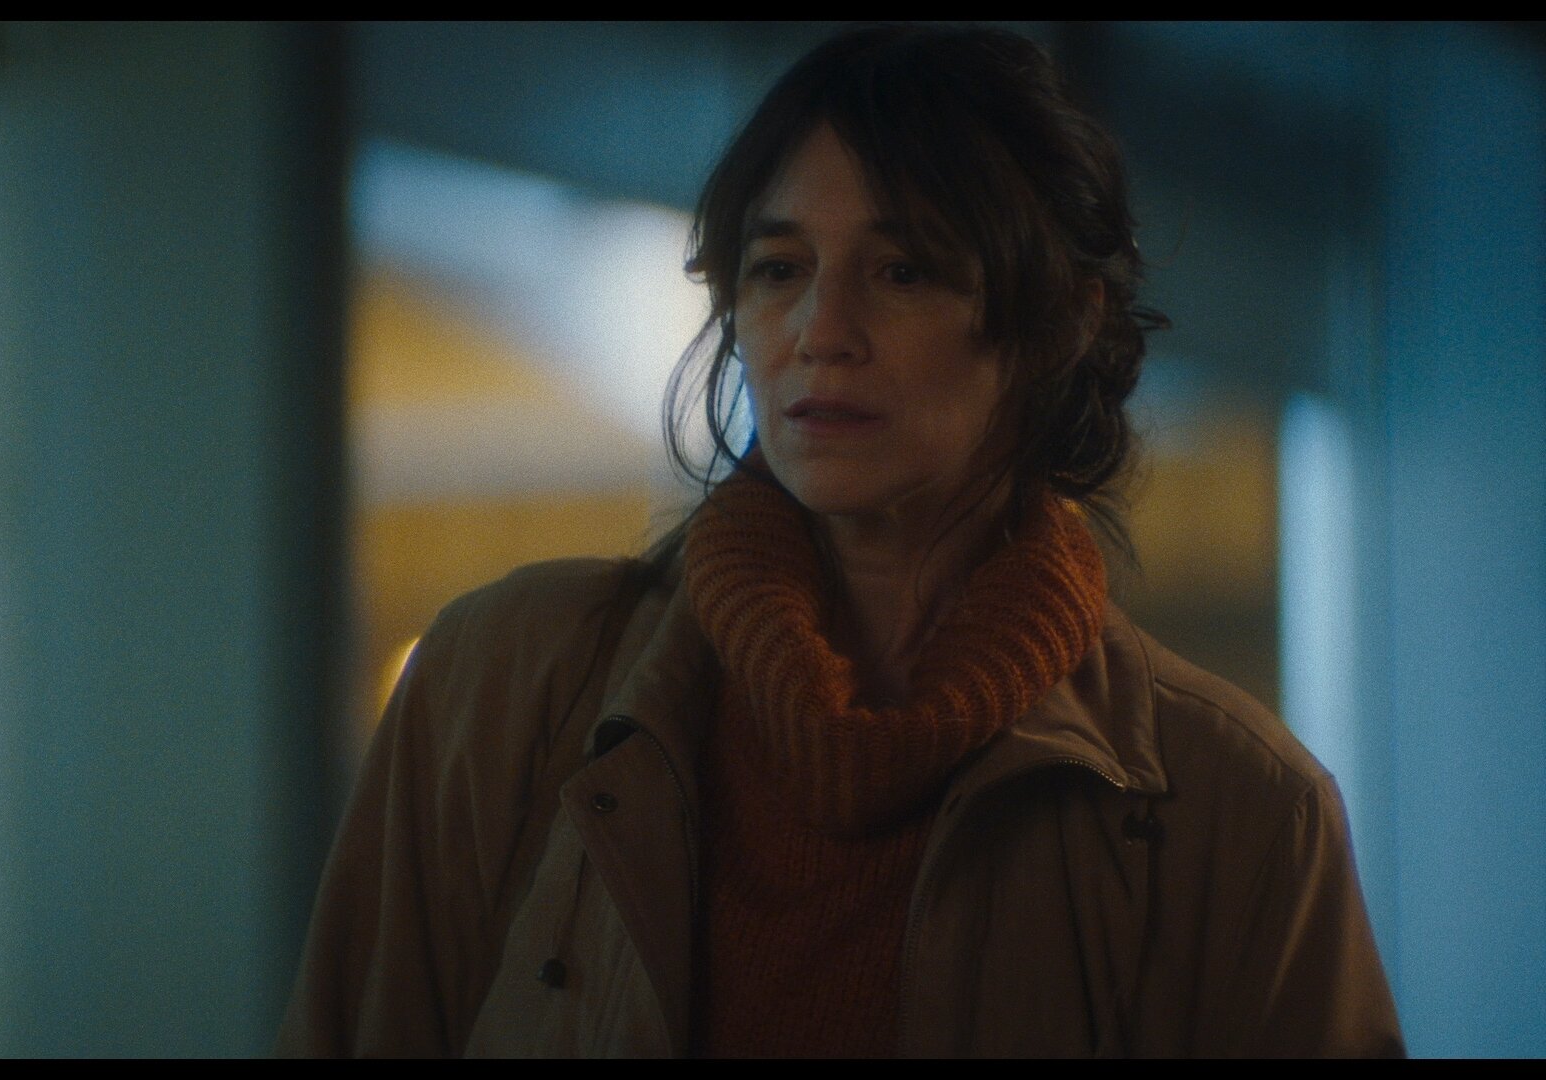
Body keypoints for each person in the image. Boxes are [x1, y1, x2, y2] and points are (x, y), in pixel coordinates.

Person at [278, 24, 1403, 1057]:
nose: (822, 331)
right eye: (779, 269)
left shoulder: (1237, 813)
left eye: (903, 270)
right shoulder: (503, 685)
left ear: (1062, 319)